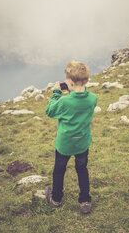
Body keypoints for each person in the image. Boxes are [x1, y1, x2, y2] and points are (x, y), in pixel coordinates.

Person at [45, 60, 97, 214]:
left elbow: (50, 111)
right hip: (82, 143)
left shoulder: (64, 101)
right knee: (82, 169)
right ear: (86, 80)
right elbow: (80, 100)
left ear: (71, 83)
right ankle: (85, 201)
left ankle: (56, 199)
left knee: (59, 170)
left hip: (65, 145)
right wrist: (73, 90)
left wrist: (56, 93)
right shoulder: (93, 98)